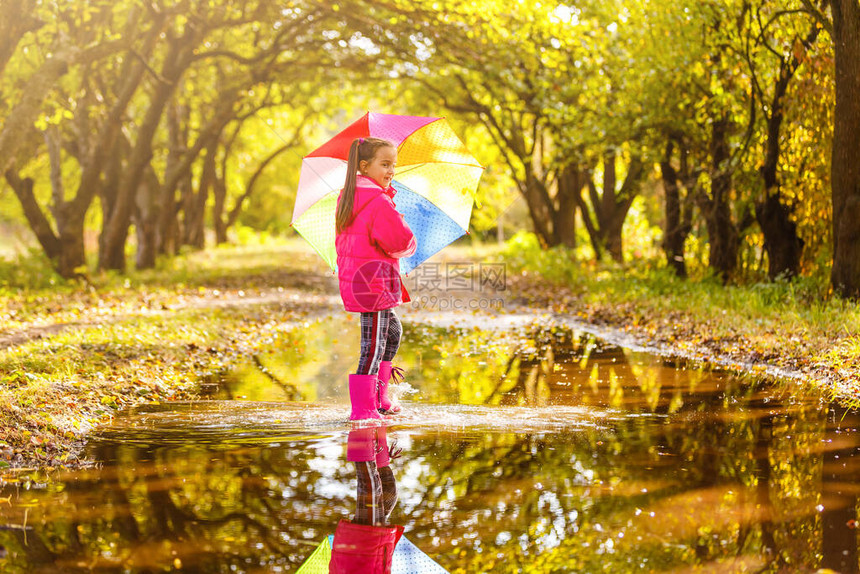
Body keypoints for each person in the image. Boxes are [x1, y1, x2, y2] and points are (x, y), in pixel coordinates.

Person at [335, 137, 416, 420]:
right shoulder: (378, 201)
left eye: (393, 165)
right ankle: (363, 409)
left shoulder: (351, 195)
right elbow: (398, 241)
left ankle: (379, 397)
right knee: (373, 347)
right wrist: (409, 238)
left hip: (363, 282)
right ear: (365, 166)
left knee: (391, 333)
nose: (391, 170)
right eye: (385, 164)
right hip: (375, 284)